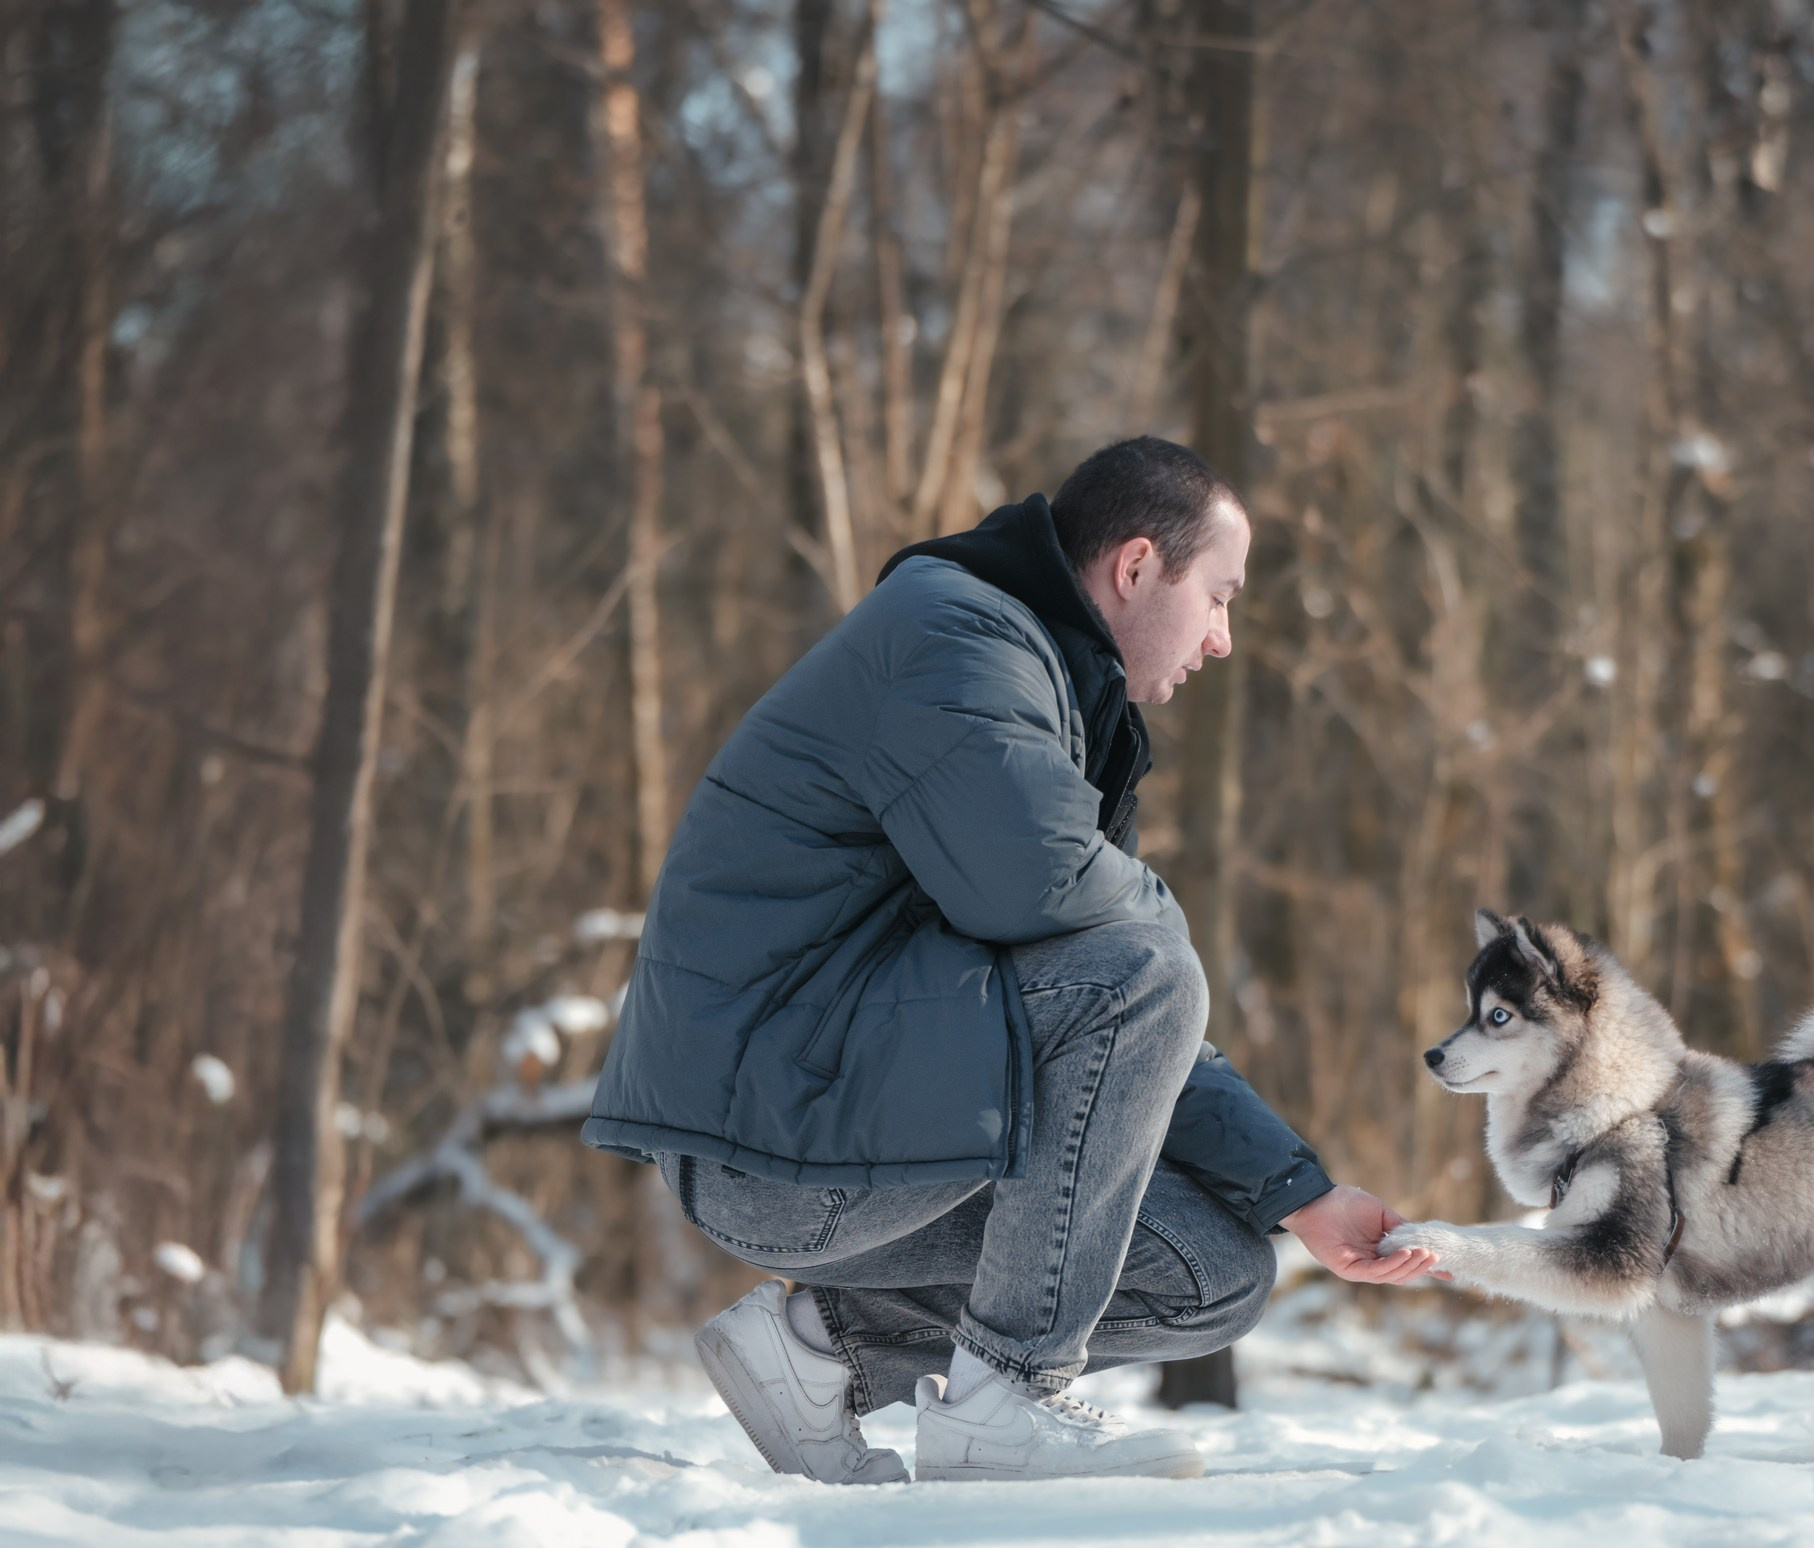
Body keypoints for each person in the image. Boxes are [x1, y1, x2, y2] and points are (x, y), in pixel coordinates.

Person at [582, 436, 1436, 1483]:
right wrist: (1157, 925)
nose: (1222, 638)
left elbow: (1109, 1011)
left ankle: (816, 1352)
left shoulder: (1048, 688)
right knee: (1147, 967)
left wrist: (1299, 1192)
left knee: (1212, 1272)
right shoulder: (955, 637)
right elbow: (1059, 913)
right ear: (1136, 567)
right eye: (1218, 597)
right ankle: (1005, 1400)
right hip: (770, 1138)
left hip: (846, 1111)